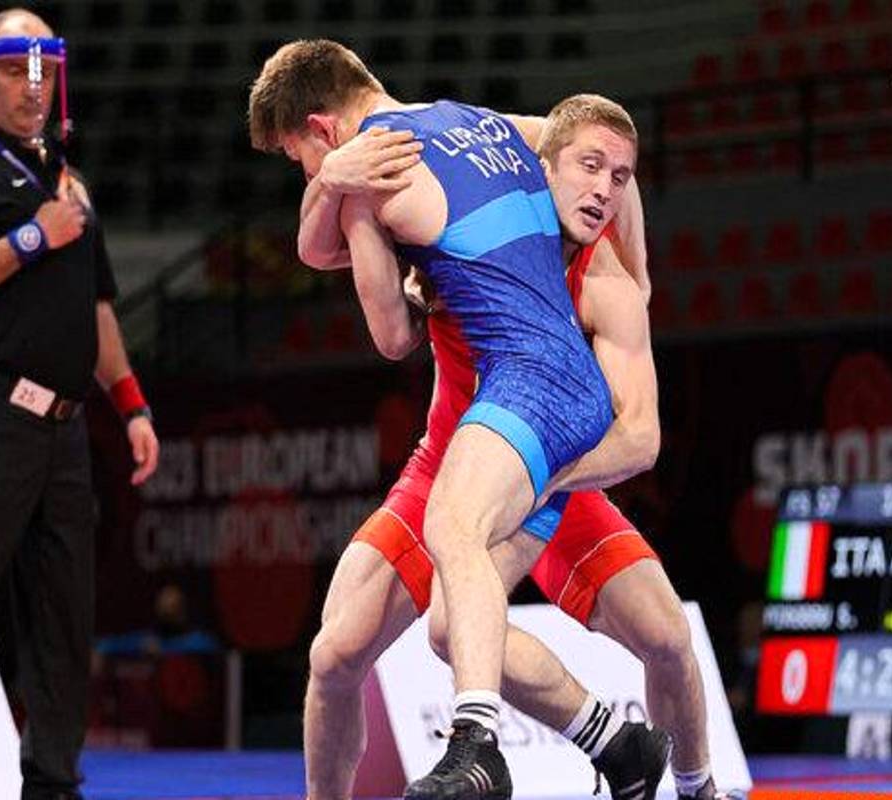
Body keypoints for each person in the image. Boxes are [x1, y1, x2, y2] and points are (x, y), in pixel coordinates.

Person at [253, 76, 727, 800]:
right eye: (587, 170)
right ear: (540, 167)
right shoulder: (468, 220)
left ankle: (697, 788)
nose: (602, 192)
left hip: (557, 465)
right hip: (453, 459)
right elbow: (341, 256)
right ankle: (612, 746)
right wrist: (334, 180)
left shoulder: (608, 285)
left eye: (618, 179)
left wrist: (539, 481)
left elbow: (638, 438)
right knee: (336, 653)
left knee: (665, 637)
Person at [0, 9, 159, 800]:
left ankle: (52, 784)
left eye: (42, 72)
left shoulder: (71, 187)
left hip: (65, 432)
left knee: (65, 618)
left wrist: (131, 406)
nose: (31, 88)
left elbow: (96, 309)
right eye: (13, 71)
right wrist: (33, 237)